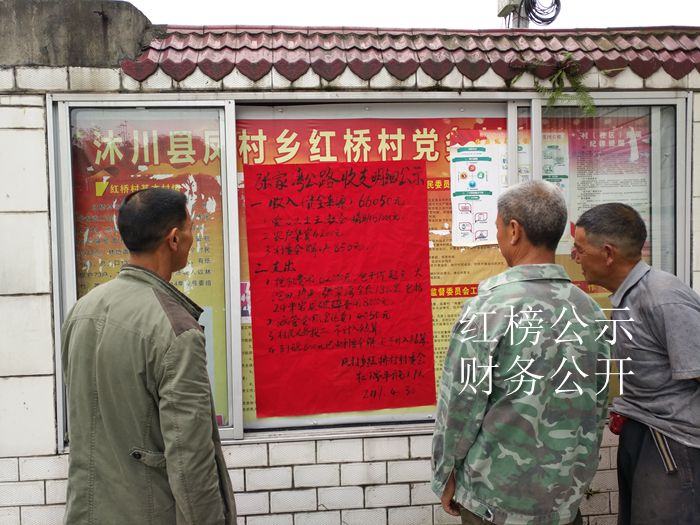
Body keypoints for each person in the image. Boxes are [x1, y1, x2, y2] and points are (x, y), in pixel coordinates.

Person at [432, 180, 610, 525]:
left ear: (514, 230)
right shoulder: (590, 311)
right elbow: (597, 404)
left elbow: (461, 405)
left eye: (497, 226)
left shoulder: (488, 309)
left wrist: (445, 472)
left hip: (494, 502)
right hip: (563, 500)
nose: (497, 234)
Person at [61, 188, 236, 525]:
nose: (193, 238)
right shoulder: (176, 330)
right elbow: (190, 458)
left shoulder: (82, 311)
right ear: (174, 239)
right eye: (191, 228)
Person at [574, 202, 700, 525]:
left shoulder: (663, 297)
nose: (576, 258)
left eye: (580, 250)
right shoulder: (628, 297)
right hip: (643, 433)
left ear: (608, 253)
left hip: (672, 444)